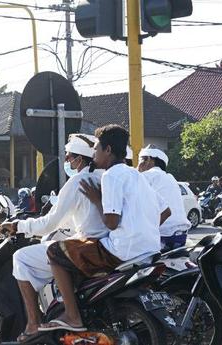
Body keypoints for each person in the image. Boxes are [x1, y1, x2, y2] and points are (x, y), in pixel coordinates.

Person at [38, 124, 170, 333]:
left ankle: (72, 317)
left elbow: (111, 223)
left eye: (97, 148)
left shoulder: (111, 176)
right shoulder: (136, 175)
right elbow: (166, 212)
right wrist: (142, 228)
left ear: (108, 150)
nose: (94, 153)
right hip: (150, 249)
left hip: (121, 250)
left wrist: (97, 199)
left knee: (54, 251)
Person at [0, 133, 108, 342]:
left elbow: (49, 223)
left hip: (88, 245)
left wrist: (18, 225)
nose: (66, 160)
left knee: (21, 258)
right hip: (108, 245)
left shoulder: (78, 182)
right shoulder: (105, 177)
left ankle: (33, 323)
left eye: (69, 156)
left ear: (80, 159)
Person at [138, 144, 191, 250]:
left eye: (139, 160)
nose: (138, 165)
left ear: (148, 159)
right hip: (181, 236)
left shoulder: (146, 176)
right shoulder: (170, 178)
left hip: (163, 237)